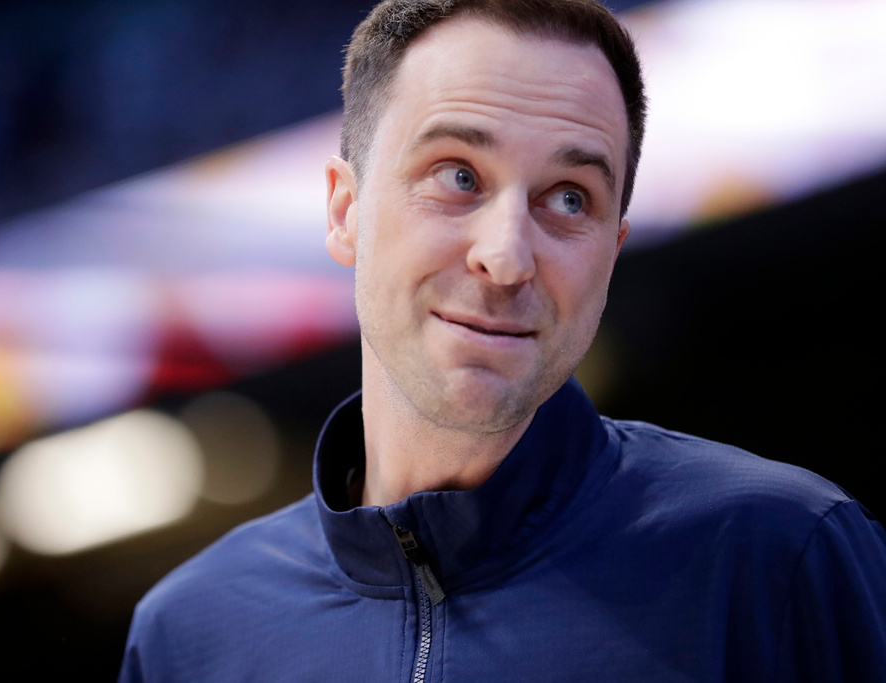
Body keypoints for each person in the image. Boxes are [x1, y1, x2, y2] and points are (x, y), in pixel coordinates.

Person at [119, 1, 886, 680]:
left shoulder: (776, 555)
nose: (508, 255)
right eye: (458, 175)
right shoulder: (190, 635)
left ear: (611, 252)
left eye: (569, 198)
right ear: (345, 211)